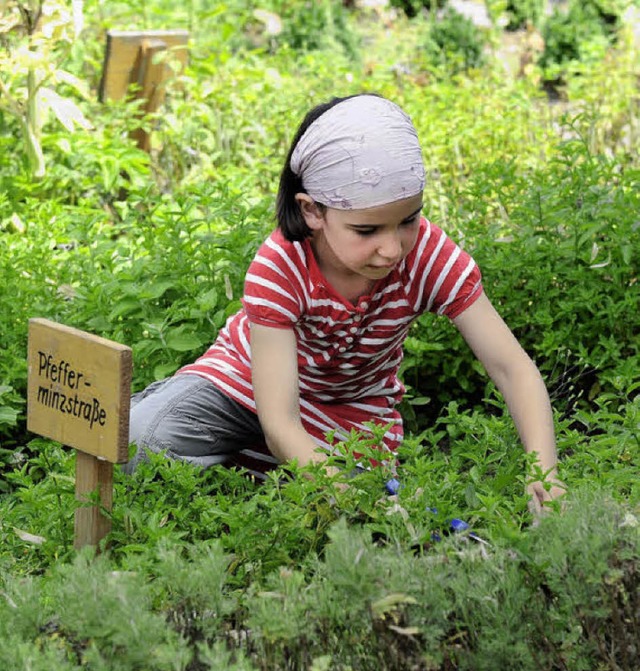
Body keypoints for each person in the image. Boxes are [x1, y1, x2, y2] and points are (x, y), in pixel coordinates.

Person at [127, 93, 564, 514]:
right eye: (367, 230)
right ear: (313, 211)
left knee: (370, 507)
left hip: (350, 414)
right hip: (243, 387)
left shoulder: (427, 255)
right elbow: (279, 420)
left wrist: (543, 472)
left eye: (408, 220)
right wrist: (324, 477)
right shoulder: (282, 264)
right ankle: (254, 473)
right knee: (137, 440)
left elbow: (512, 367)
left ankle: (250, 474)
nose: (393, 248)